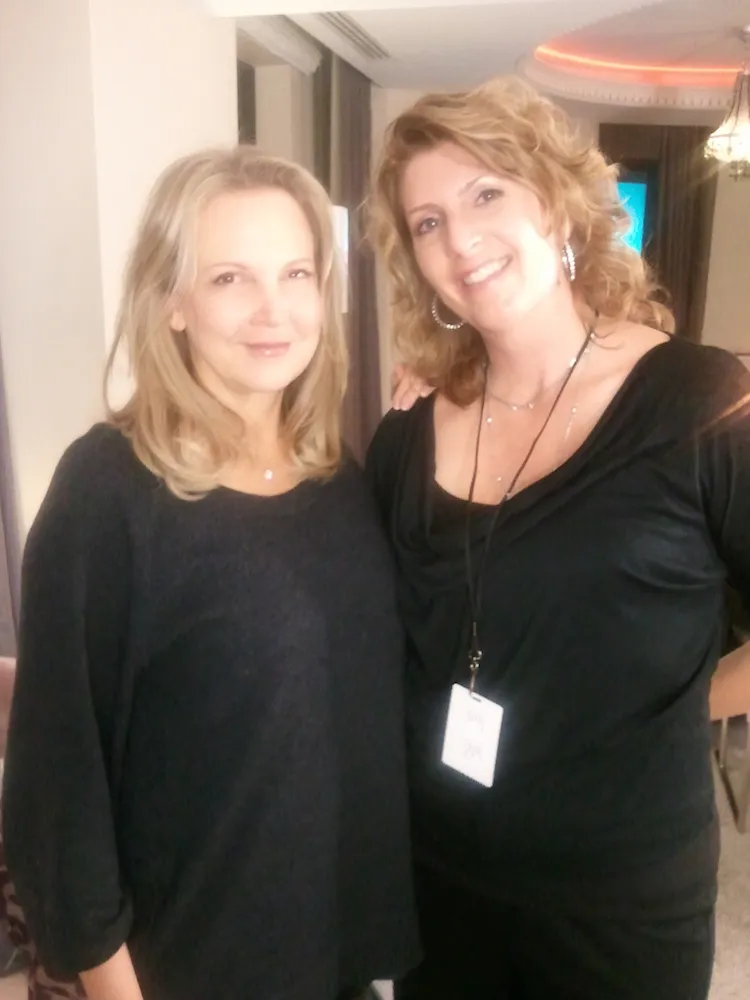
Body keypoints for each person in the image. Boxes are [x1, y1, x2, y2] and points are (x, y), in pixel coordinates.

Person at [2, 147, 419, 1000]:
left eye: (295, 274)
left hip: (337, 953)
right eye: (230, 278)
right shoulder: (109, 490)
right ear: (172, 302)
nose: (274, 310)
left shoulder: (337, 475)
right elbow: (58, 778)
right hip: (189, 964)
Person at [366, 76, 750, 1000]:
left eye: (486, 194)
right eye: (427, 223)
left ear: (556, 200)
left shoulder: (699, 404)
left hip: (619, 902)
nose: (461, 241)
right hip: (440, 878)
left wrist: (675, 708)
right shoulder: (406, 433)